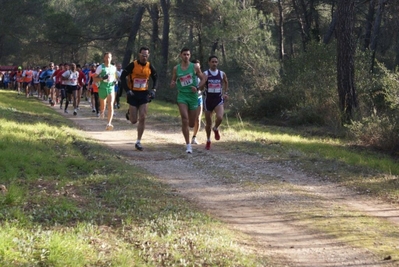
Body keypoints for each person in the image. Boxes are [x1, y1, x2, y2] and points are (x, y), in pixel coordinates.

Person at [120, 46, 158, 151]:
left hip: (144, 94)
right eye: (142, 55)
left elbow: (155, 78)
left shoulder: (150, 66)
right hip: (133, 94)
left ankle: (138, 141)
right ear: (139, 55)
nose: (144, 57)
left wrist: (153, 90)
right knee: (133, 121)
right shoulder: (133, 65)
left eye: (146, 55)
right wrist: (127, 90)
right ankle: (129, 113)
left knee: (143, 117)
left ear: (148, 55)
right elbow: (122, 77)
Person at [170, 47, 206, 154]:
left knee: (191, 123)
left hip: (193, 96)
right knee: (184, 119)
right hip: (182, 96)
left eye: (188, 55)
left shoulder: (194, 67)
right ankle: (188, 145)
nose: (186, 56)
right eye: (184, 54)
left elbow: (204, 78)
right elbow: (173, 79)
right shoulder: (176, 68)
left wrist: (198, 87)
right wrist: (172, 83)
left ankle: (191, 137)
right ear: (180, 55)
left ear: (190, 56)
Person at [202, 55, 229, 150]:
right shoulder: (205, 73)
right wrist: (200, 87)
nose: (214, 63)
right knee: (208, 123)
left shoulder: (221, 73)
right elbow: (201, 84)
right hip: (208, 99)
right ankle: (208, 140)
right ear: (209, 63)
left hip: (218, 98)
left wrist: (225, 93)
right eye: (212, 62)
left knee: (220, 117)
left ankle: (216, 128)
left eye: (216, 62)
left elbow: (226, 81)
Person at [93, 52, 117, 130]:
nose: (108, 59)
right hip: (102, 87)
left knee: (110, 104)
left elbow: (114, 77)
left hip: (110, 87)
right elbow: (94, 78)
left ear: (111, 58)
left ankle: (109, 123)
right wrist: (102, 78)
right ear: (104, 58)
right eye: (106, 57)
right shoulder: (100, 67)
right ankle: (102, 111)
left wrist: (115, 81)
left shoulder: (113, 68)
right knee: (103, 106)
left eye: (109, 57)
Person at [190, 59, 203, 145]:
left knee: (198, 119)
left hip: (198, 98)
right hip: (189, 98)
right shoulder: (188, 75)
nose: (196, 68)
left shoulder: (202, 76)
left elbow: (205, 85)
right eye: (195, 66)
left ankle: (194, 137)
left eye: (198, 66)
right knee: (190, 120)